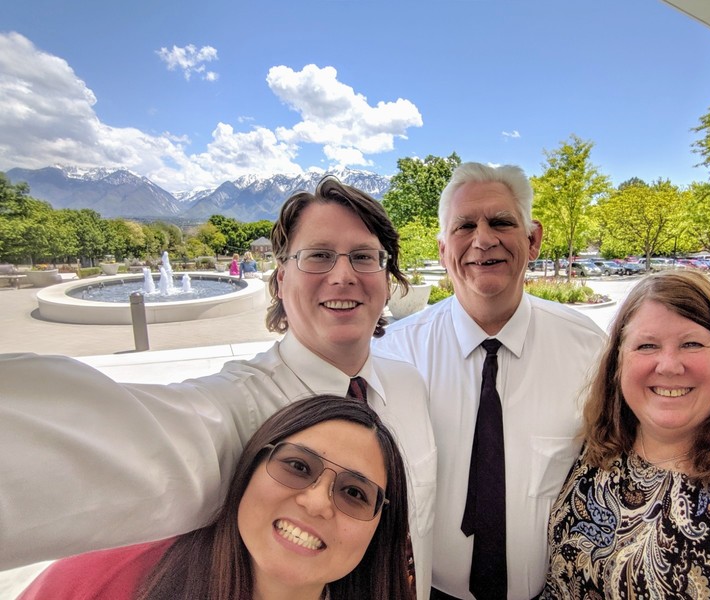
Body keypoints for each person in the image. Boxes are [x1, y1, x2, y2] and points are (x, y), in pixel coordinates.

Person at [0, 177, 436, 600]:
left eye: (364, 257)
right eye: (319, 255)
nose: (343, 274)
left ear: (387, 278)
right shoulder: (235, 411)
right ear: (281, 280)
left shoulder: (409, 385)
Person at [374, 163, 606, 599]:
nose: (483, 239)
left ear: (533, 239)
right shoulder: (394, 354)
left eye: (501, 221)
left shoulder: (589, 349)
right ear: (444, 251)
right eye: (465, 226)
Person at [540, 270, 710, 598]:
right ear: (618, 363)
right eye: (647, 345)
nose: (669, 365)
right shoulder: (596, 448)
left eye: (691, 343)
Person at [18, 395, 415, 600]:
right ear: (250, 469)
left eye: (353, 493)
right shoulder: (105, 579)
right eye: (297, 467)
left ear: (380, 528)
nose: (316, 502)